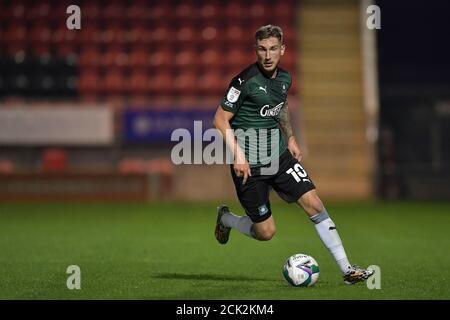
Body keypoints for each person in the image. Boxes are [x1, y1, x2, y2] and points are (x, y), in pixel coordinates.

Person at [213, 25, 374, 284]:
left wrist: (290, 136)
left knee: (315, 205)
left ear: (282, 50)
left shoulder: (285, 79)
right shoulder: (244, 82)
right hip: (251, 167)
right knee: (266, 232)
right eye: (263, 49)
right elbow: (220, 119)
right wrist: (238, 155)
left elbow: (281, 107)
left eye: (273, 49)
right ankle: (227, 219)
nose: (268, 55)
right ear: (256, 50)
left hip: (279, 158)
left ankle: (348, 270)